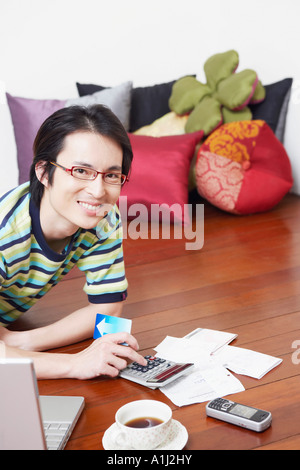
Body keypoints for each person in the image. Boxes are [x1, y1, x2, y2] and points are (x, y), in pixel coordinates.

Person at [0, 104, 147, 379]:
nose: (98, 190)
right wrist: (75, 364)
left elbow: (108, 308)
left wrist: (21, 342)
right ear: (43, 172)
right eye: (81, 171)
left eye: (112, 175)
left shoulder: (103, 218)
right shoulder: (5, 234)